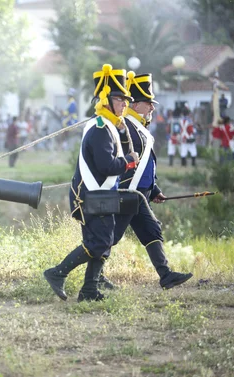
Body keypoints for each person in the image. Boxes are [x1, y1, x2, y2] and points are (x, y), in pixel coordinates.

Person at [43, 64, 139, 302]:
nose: (125, 104)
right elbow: (106, 165)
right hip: (91, 195)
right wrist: (128, 161)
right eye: (120, 99)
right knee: (99, 243)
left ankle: (89, 291)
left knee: (101, 244)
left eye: (126, 100)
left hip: (101, 193)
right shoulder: (99, 128)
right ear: (106, 100)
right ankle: (57, 273)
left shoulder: (108, 126)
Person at [105, 72, 192, 290]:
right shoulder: (125, 126)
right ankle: (88, 276)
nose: (152, 107)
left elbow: (145, 165)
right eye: (147, 103)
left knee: (151, 231)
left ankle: (165, 275)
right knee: (110, 236)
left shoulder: (139, 127)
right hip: (127, 191)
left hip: (140, 193)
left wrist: (153, 190)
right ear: (134, 104)